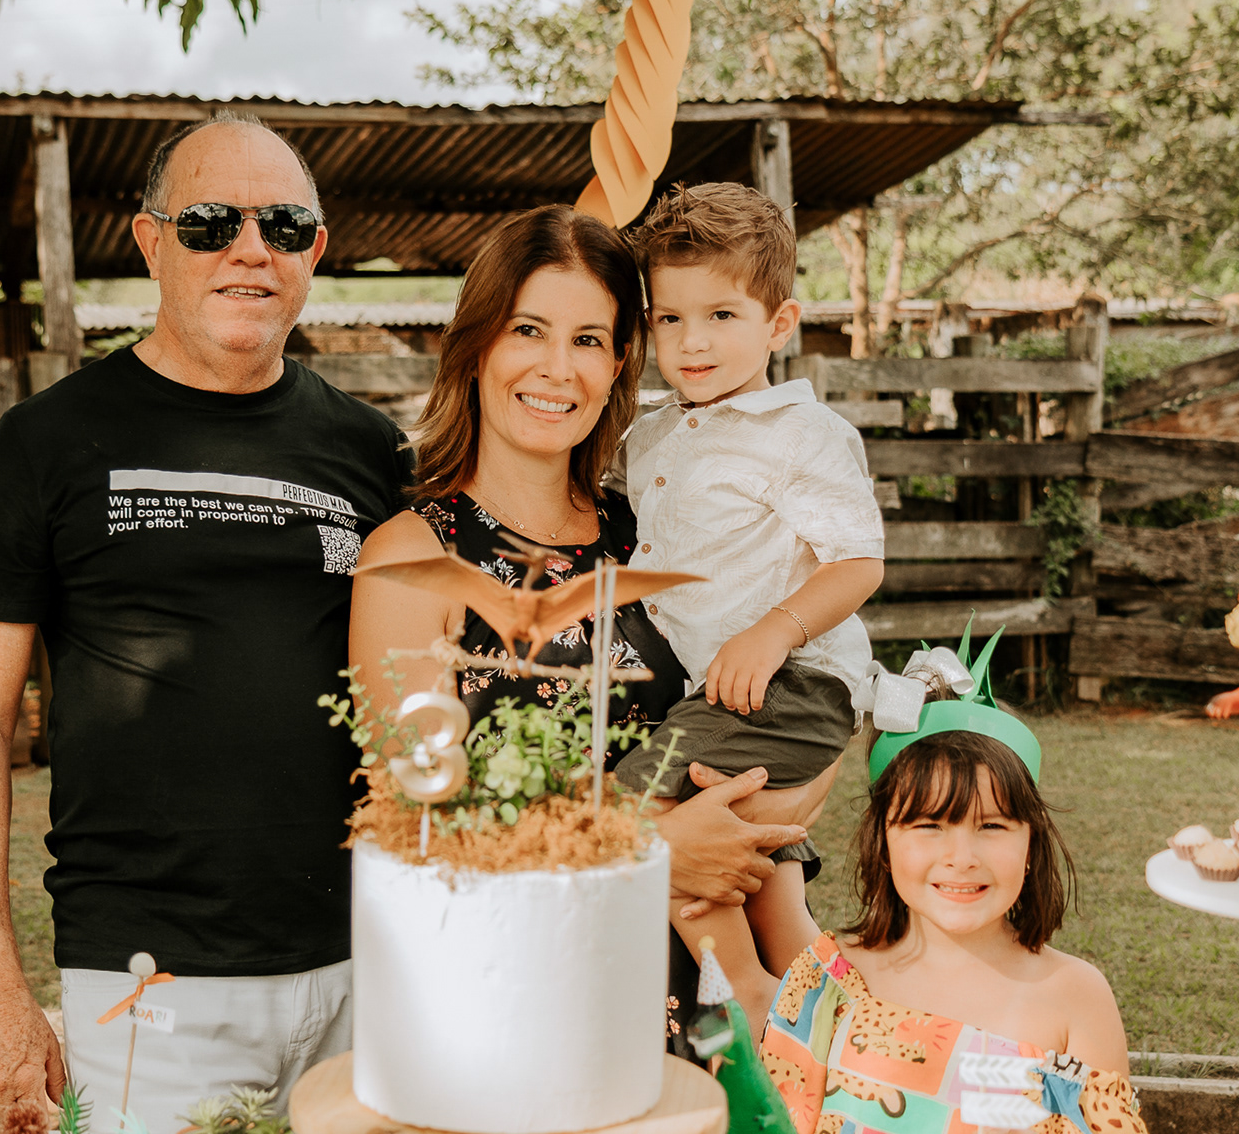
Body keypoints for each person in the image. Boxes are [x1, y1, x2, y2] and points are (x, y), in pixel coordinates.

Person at [0, 112, 408, 1132]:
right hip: (148, 981)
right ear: (151, 242)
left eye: (285, 225)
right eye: (210, 223)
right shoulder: (46, 441)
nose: (251, 249)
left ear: (316, 250)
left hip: (366, 966)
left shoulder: (375, 453)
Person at [349, 204, 827, 1008]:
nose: (557, 368)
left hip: (713, 995)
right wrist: (645, 844)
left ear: (618, 365)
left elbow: (789, 707)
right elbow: (411, 826)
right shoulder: (413, 558)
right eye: (527, 330)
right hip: (525, 994)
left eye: (588, 340)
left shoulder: (659, 535)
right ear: (476, 345)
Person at [608, 183, 886, 1031]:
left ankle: (748, 995)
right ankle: (848, 1026)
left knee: (638, 804)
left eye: (722, 316)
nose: (693, 341)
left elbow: (858, 562)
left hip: (793, 679)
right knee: (769, 884)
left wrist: (775, 631)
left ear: (779, 322)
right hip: (723, 694)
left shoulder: (802, 434)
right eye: (671, 318)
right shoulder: (652, 433)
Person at [758, 705, 1147, 1133]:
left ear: (1031, 844)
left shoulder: (1076, 996)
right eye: (929, 825)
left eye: (992, 826)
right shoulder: (832, 979)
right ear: (883, 841)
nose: (962, 859)